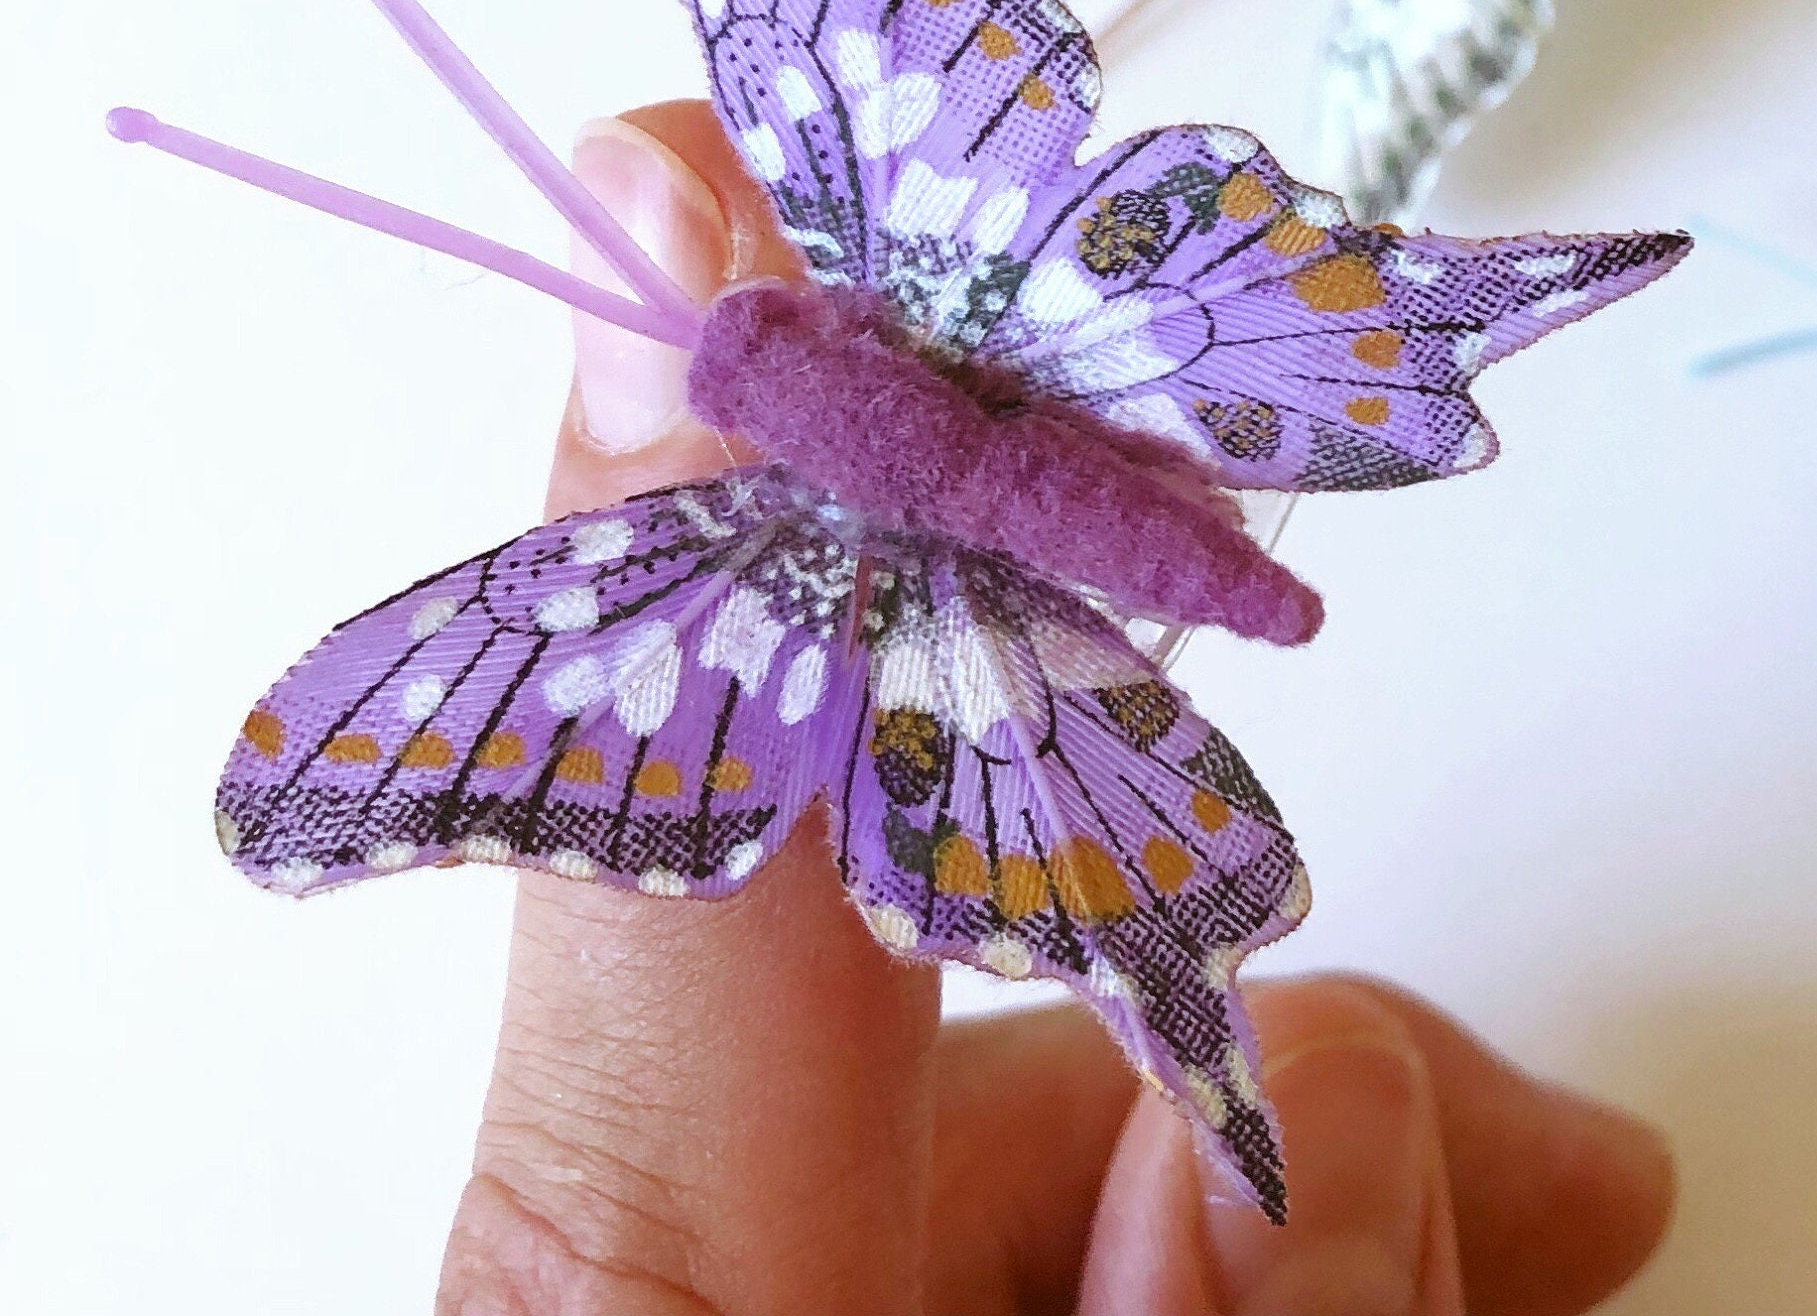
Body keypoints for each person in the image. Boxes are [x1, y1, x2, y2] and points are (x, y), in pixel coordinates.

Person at [437, 103, 1678, 1316]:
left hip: (1000, 616)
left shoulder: (766, 525)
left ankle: (1464, 304)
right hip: (1083, 423)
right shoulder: (879, 287)